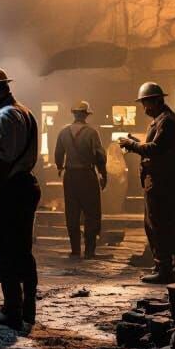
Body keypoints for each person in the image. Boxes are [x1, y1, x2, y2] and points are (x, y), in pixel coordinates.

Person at [0, 67, 40, 331]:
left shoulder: (3, 116)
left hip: (10, 190)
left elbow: (2, 161)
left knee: (2, 251)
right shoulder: (25, 111)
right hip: (25, 186)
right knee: (22, 251)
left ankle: (12, 311)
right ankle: (27, 309)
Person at [118, 82, 175, 285]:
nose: (144, 108)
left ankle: (166, 269)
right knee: (155, 224)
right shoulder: (162, 120)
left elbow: (156, 148)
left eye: (146, 103)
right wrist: (137, 142)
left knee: (160, 224)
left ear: (157, 101)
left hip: (163, 180)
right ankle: (163, 265)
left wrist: (132, 145)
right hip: (159, 178)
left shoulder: (167, 121)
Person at [54, 101, 108, 259]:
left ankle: (75, 250)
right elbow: (99, 156)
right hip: (87, 175)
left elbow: (58, 153)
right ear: (86, 114)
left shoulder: (63, 132)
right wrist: (103, 174)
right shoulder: (91, 133)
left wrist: (59, 167)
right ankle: (89, 251)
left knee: (72, 213)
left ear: (74, 114)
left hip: (70, 176)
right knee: (91, 213)